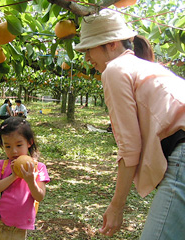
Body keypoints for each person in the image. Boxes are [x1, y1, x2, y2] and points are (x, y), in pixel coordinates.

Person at [74, 9, 185, 239]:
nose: (86, 58)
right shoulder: (148, 67)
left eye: (89, 49)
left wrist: (116, 206)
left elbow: (129, 148)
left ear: (112, 43)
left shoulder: (114, 70)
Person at [0, 117, 50, 239]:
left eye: (19, 145)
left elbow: (40, 196)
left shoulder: (38, 168)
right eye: (7, 147)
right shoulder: (2, 165)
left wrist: (30, 181)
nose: (14, 151)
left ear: (29, 142)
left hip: (17, 230)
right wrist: (13, 176)